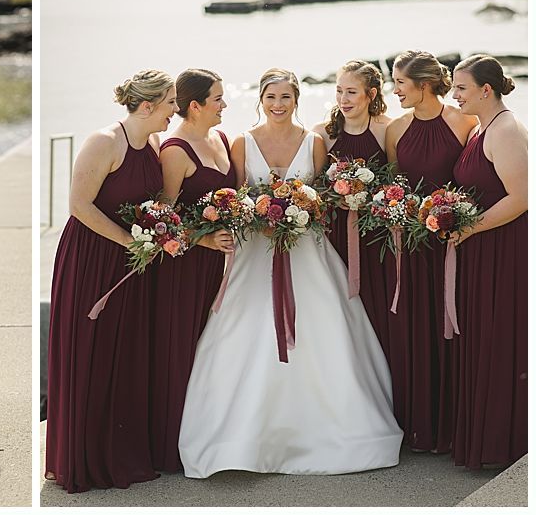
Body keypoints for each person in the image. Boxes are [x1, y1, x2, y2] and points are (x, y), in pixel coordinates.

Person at [179, 68, 402, 479]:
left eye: (285, 97)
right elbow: (241, 193)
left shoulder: (314, 142)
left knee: (326, 329)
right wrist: (257, 217)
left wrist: (301, 212)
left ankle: (336, 430)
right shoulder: (242, 142)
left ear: (296, 100)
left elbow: (320, 198)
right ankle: (239, 437)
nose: (278, 105)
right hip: (256, 252)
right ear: (260, 100)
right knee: (242, 330)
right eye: (270, 98)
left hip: (307, 251)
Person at [44, 69, 177, 493]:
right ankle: (85, 459)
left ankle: (122, 450)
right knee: (93, 351)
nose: (174, 111)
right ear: (146, 105)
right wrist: (130, 242)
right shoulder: (104, 142)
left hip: (133, 261)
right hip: (93, 259)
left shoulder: (154, 143)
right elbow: (78, 205)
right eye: (171, 103)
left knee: (127, 352)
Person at [384, 50, 476, 453]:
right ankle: (419, 425)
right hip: (410, 247)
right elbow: (392, 186)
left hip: (449, 244)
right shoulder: (395, 129)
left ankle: (454, 425)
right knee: (414, 327)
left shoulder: (464, 122)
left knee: (452, 328)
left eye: (400, 82)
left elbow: (474, 178)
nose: (394, 90)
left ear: (423, 84)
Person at [151, 68, 235, 473]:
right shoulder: (174, 151)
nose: (225, 104)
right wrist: (202, 240)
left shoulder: (219, 137)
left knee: (217, 350)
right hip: (184, 268)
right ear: (195, 105)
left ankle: (212, 432)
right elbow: (162, 219)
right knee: (184, 348)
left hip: (223, 266)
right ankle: (174, 444)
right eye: (218, 98)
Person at [449, 55, 527, 469]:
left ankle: (505, 442)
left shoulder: (507, 130)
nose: (454, 95)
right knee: (483, 336)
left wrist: (469, 228)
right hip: (482, 244)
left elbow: (520, 198)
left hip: (504, 247)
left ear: (485, 90)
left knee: (500, 337)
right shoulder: (481, 129)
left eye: (461, 88)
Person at [313, 60, 391, 352]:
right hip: (335, 236)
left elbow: (396, 180)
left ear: (371, 95)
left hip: (376, 236)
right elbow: (315, 187)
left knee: (376, 304)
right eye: (339, 92)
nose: (343, 100)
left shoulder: (386, 129)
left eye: (351, 92)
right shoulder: (323, 133)